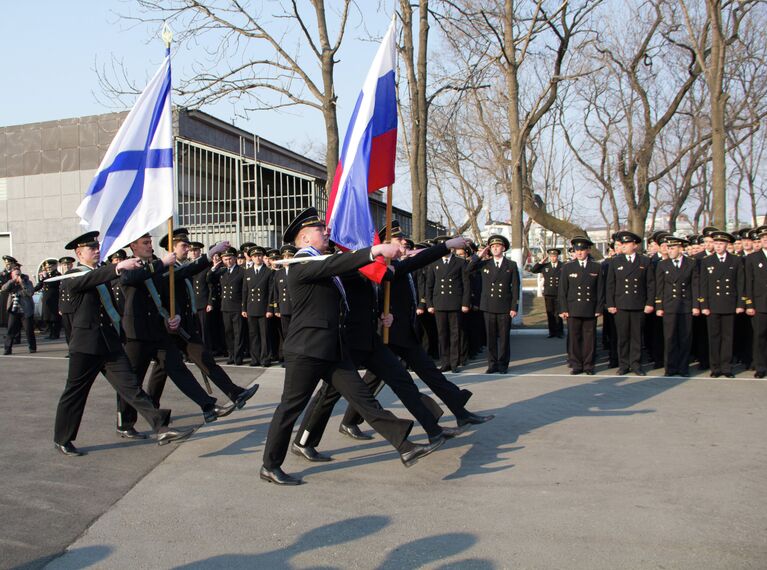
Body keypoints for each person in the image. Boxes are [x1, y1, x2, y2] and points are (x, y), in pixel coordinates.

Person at [260, 208, 440, 486]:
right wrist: (374, 249)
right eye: (320, 230)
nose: (327, 232)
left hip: (333, 349)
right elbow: (336, 265)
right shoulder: (300, 265)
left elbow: (345, 271)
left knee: (364, 400)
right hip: (307, 351)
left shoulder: (321, 261)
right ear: (305, 237)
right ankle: (270, 465)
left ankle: (405, 446)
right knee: (289, 409)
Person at [334, 225, 494, 440]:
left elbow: (420, 260)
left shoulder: (397, 264)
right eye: (397, 240)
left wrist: (446, 247)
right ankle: (347, 422)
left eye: (402, 240)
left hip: (405, 333)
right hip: (387, 333)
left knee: (429, 373)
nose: (403, 243)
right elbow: (370, 300)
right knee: (373, 382)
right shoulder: (377, 267)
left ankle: (460, 413)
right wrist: (383, 316)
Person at [52, 231, 193, 456]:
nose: (97, 250)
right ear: (79, 253)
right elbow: (87, 281)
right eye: (92, 248)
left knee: (132, 388)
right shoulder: (72, 276)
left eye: (98, 247)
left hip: (110, 344)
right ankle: (62, 439)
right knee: (75, 394)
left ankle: (161, 427)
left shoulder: (100, 273)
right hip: (86, 346)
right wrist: (118, 267)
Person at [115, 233, 234, 438]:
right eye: (145, 243)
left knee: (178, 368)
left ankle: (208, 406)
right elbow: (131, 278)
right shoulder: (129, 265)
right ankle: (125, 423)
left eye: (150, 242)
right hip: (136, 333)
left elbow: (174, 283)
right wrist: (160, 263)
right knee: (132, 381)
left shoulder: (156, 264)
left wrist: (175, 314)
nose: (149, 246)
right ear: (133, 246)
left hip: (158, 330)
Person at [144, 229, 260, 413]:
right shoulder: (164, 268)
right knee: (180, 365)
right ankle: (231, 395)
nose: (187, 248)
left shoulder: (180, 266)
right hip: (172, 327)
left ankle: (151, 407)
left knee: (168, 367)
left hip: (184, 326)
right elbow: (168, 294)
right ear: (170, 248)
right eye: (183, 245)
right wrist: (211, 253)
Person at [606, 231, 655, 375]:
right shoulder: (615, 261)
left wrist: (649, 303)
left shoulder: (644, 261)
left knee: (636, 337)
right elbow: (610, 285)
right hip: (621, 305)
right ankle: (623, 365)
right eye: (622, 244)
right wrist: (611, 304)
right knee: (622, 336)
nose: (624, 246)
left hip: (638, 305)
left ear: (635, 245)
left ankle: (636, 364)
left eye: (627, 243)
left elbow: (650, 284)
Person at [469, 235, 520, 374]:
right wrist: (478, 256)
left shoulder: (511, 265)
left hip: (504, 306)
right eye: (492, 247)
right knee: (490, 338)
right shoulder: (485, 263)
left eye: (498, 246)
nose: (495, 248)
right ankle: (492, 364)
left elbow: (515, 287)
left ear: (503, 248)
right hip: (489, 306)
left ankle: (503, 364)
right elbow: (469, 269)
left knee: (504, 338)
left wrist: (514, 307)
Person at [699, 231, 745, 378]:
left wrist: (740, 304)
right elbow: (703, 285)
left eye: (720, 244)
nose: (717, 246)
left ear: (726, 245)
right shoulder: (707, 261)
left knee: (728, 337)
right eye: (716, 244)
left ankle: (726, 367)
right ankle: (715, 367)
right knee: (714, 337)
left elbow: (740, 284)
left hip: (729, 303)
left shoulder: (735, 260)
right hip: (713, 304)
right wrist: (704, 305)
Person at [654, 235, 698, 377]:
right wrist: (659, 306)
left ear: (680, 249)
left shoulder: (691, 263)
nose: (669, 250)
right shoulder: (663, 264)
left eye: (672, 248)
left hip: (685, 305)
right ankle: (670, 367)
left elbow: (695, 286)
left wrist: (696, 305)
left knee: (685, 338)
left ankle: (683, 367)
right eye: (668, 248)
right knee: (670, 338)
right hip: (669, 306)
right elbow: (659, 287)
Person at [558, 237, 603, 375]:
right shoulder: (568, 267)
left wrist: (599, 308)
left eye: (582, 250)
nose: (579, 253)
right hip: (573, 308)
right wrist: (563, 309)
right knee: (574, 337)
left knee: (590, 338)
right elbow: (562, 290)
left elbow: (600, 289)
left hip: (590, 308)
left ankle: (589, 365)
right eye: (577, 250)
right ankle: (576, 364)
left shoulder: (596, 267)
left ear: (588, 250)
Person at [426, 236, 471, 373]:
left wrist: (465, 303)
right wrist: (429, 304)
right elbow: (429, 285)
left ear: (452, 248)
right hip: (439, 303)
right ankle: (444, 362)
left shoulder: (460, 262)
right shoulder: (434, 263)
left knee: (455, 334)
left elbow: (466, 285)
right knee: (442, 334)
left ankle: (454, 363)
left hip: (455, 303)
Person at [241, 245, 274, 367]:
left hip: (263, 308)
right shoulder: (248, 272)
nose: (257, 258)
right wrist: (244, 308)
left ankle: (265, 359)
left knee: (264, 335)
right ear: (251, 258)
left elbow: (271, 291)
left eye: (259, 255)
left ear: (263, 257)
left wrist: (270, 308)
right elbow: (245, 291)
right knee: (253, 335)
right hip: (251, 307)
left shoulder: (268, 271)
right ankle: (255, 358)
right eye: (255, 256)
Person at [745, 227, 767, 378]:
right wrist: (749, 304)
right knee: (759, 336)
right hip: (760, 304)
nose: (765, 240)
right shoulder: (753, 258)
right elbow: (748, 283)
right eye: (763, 238)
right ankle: (761, 367)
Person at [220, 247, 246, 364]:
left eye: (230, 259)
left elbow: (245, 290)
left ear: (235, 259)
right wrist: (215, 267)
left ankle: (238, 357)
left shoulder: (241, 271)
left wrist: (243, 307)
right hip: (225, 306)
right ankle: (231, 355)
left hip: (237, 306)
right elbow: (209, 278)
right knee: (228, 332)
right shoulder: (222, 271)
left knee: (238, 333)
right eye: (225, 259)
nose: (228, 261)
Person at [2, 265, 36, 355]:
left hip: (26, 311)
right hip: (14, 310)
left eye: (18, 274)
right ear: (12, 275)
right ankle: (7, 349)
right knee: (10, 330)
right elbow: (4, 288)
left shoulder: (27, 282)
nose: (17, 276)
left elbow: (30, 293)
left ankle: (32, 347)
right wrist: (13, 281)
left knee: (29, 330)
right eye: (15, 274)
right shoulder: (11, 283)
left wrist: (22, 283)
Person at [531, 247, 564, 338]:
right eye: (551, 256)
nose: (553, 258)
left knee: (558, 313)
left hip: (558, 293)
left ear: (557, 256)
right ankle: (552, 332)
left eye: (555, 256)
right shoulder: (545, 266)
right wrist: (541, 262)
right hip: (548, 293)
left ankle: (559, 332)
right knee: (550, 313)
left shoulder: (562, 265)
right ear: (549, 256)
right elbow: (533, 270)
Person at [34, 259, 61, 339]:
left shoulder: (57, 274)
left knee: (54, 317)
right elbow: (40, 284)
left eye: (50, 267)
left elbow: (53, 283)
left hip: (54, 298)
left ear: (55, 266)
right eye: (47, 268)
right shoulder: (47, 275)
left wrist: (45, 277)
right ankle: (51, 333)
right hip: (47, 298)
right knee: (48, 316)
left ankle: (55, 334)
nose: (48, 269)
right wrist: (32, 290)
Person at [58, 256, 76, 345]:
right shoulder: (62, 277)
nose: (66, 266)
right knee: (67, 330)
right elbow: (60, 294)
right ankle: (70, 348)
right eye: (64, 265)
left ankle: (75, 348)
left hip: (72, 306)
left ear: (71, 265)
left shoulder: (74, 275)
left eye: (68, 264)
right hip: (64, 307)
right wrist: (60, 307)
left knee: (74, 329)